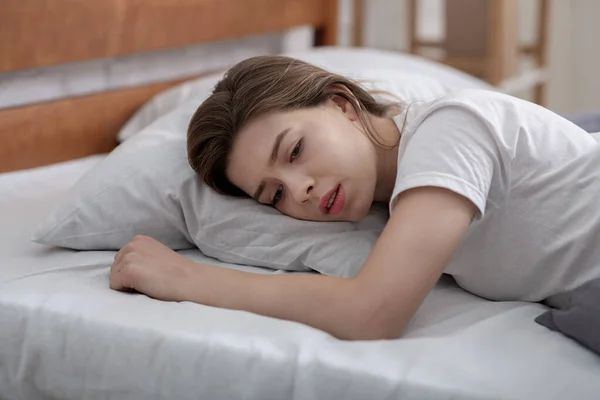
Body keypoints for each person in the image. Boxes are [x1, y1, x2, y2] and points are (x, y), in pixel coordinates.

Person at [109, 56, 600, 340]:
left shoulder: (449, 131)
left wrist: (188, 278)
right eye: (274, 193)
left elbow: (372, 313)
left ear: (342, 104)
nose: (298, 190)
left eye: (296, 150)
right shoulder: (396, 200)